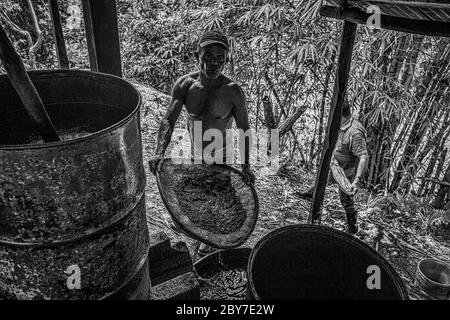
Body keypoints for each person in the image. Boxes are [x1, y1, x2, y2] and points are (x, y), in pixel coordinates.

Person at [149, 30, 255, 255]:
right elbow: (168, 120)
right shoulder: (185, 86)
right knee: (194, 190)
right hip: (193, 147)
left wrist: (246, 165)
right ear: (197, 55)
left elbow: (244, 129)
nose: (214, 63)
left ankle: (212, 240)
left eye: (220, 58)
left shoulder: (233, 92)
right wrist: (159, 152)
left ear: (226, 60)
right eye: (208, 56)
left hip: (222, 150)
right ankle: (193, 228)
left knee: (218, 194)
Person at [297, 100, 368, 234]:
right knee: (321, 179)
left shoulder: (355, 132)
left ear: (340, 115)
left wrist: (356, 180)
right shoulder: (338, 124)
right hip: (334, 163)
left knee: (346, 200)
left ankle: (353, 226)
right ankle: (312, 192)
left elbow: (363, 157)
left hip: (346, 171)